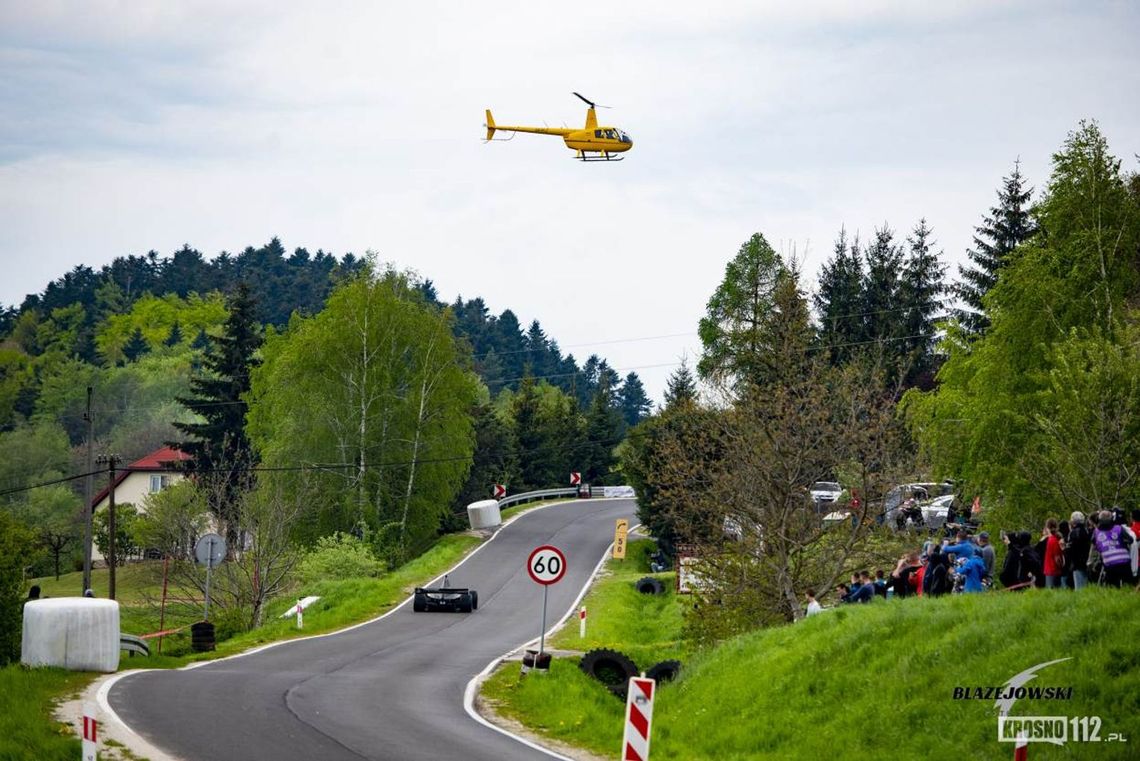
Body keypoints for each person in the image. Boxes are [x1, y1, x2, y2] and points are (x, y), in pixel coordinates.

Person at [1093, 511, 1134, 587]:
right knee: (1128, 586)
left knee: (1113, 588)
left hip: (1109, 563)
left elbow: (1095, 545)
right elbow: (1130, 540)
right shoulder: (1119, 528)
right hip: (1124, 562)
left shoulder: (1096, 532)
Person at [1066, 512, 1092, 589]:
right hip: (1086, 561)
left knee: (1079, 586)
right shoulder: (1087, 531)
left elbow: (1071, 548)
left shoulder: (1073, 533)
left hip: (1077, 563)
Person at [1041, 518, 1066, 589]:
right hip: (1053, 570)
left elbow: (1057, 558)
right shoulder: (1055, 539)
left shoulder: (1052, 540)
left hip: (1051, 570)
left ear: (1047, 527)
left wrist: (1059, 566)